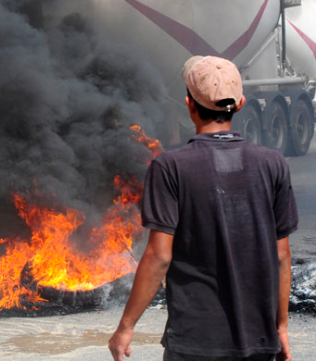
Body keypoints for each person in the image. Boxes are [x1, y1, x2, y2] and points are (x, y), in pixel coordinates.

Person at [108, 56, 297, 361]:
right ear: (241, 104)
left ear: (189, 105)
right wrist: (282, 327)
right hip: (259, 341)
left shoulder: (170, 166)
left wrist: (126, 327)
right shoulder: (273, 163)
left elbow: (159, 256)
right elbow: (281, 256)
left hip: (195, 343)